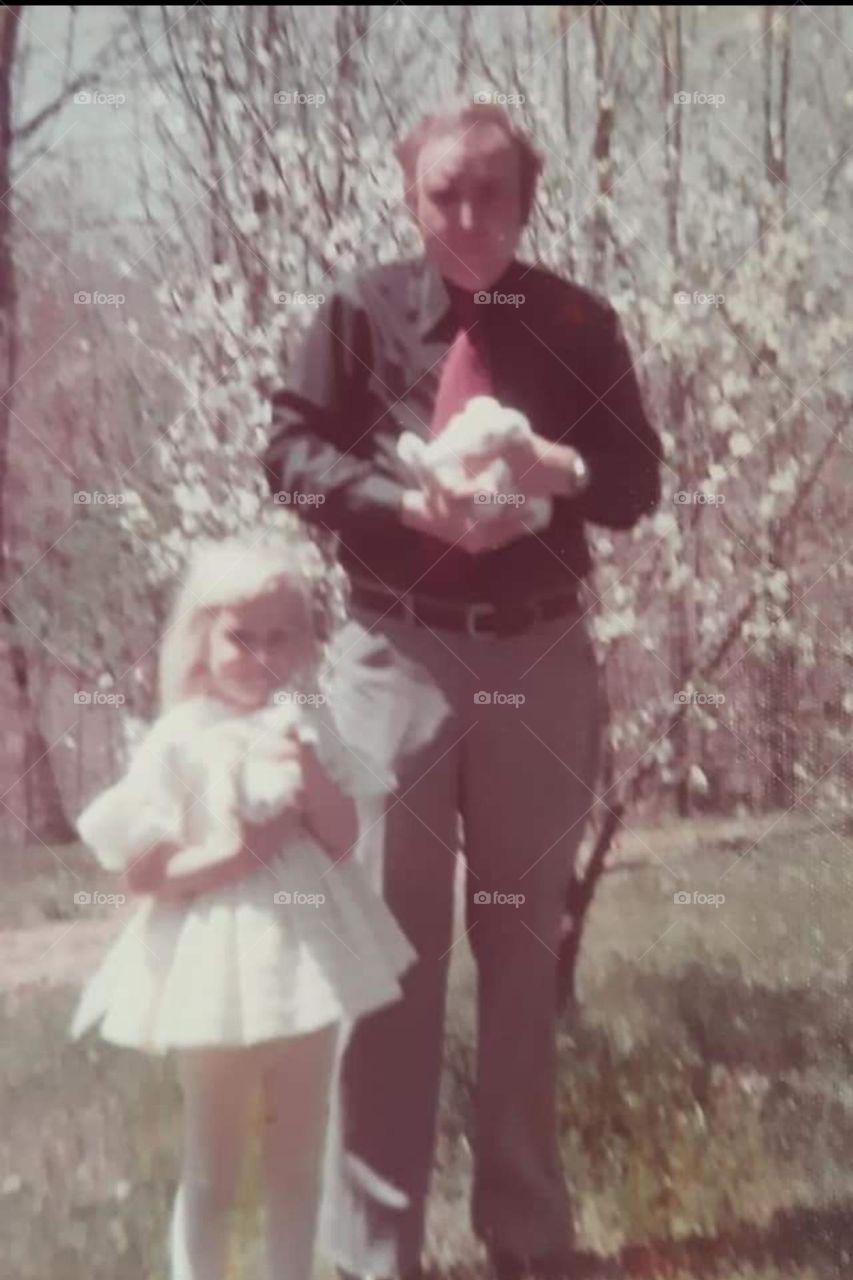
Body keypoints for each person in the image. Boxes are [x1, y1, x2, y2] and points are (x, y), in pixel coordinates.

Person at [261, 102, 664, 1280]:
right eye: (444, 193)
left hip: (536, 655)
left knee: (520, 948)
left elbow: (635, 480)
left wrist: (564, 467)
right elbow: (288, 450)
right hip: (396, 654)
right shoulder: (356, 311)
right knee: (385, 951)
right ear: (410, 194)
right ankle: (371, 1249)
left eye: (491, 192)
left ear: (526, 197)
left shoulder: (580, 323)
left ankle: (530, 1237)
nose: (467, 216)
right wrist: (400, 503)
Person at [67, 515, 426, 1280]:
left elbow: (340, 838)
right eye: (242, 638)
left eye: (282, 637)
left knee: (297, 1155)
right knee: (213, 1161)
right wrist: (228, 854)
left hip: (309, 965)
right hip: (216, 969)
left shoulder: (309, 723)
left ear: (306, 645)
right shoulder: (180, 737)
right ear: (202, 641)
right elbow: (143, 871)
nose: (262, 657)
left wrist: (311, 770)